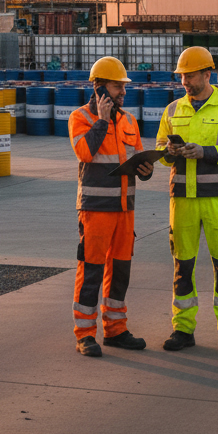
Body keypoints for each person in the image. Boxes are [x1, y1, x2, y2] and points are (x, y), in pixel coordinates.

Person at [157, 46, 218, 356]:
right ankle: (183, 329)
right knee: (182, 267)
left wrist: (206, 152)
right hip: (182, 201)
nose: (184, 81)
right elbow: (160, 151)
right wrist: (168, 154)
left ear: (207, 74)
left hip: (217, 202)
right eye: (181, 76)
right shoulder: (172, 110)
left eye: (189, 75)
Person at [69, 56, 155, 357]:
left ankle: (116, 330)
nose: (123, 92)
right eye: (118, 86)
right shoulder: (80, 118)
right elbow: (85, 152)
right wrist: (103, 122)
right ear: (99, 88)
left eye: (123, 86)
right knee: (91, 270)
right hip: (95, 210)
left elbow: (139, 157)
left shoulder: (130, 121)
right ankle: (85, 335)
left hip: (125, 209)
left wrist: (146, 170)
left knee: (120, 272)